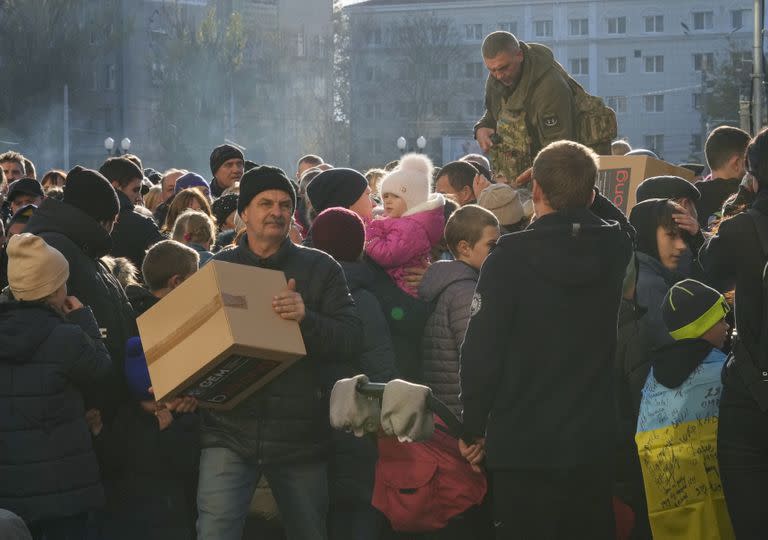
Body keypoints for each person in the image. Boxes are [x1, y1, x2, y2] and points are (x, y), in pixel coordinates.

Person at [459, 140, 633, 538]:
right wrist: (586, 192)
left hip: (524, 444)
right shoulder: (612, 249)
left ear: (535, 191)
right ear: (591, 195)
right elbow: (625, 226)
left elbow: (482, 353)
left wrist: (472, 427)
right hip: (592, 440)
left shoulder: (507, 258)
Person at [196, 165, 362, 540]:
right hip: (229, 431)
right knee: (214, 531)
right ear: (244, 212)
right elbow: (195, 347)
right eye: (265, 203)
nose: (277, 211)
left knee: (309, 532)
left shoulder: (320, 268)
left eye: (285, 204)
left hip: (300, 437)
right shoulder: (218, 268)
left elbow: (351, 338)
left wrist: (306, 318)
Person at [0, 233, 112, 538]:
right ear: (55, 289)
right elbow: (101, 370)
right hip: (65, 491)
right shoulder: (67, 338)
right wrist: (83, 319)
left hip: (10, 491)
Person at [24, 166, 137, 423]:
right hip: (81, 408)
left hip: (98, 402)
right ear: (101, 219)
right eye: (112, 222)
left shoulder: (82, 249)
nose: (112, 230)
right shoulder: (58, 249)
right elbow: (48, 333)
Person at [311, 206, 397, 540]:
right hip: (356, 418)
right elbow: (381, 364)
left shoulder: (299, 289)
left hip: (306, 418)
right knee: (362, 503)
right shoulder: (363, 296)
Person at [699, 127, 768, 536]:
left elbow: (708, 268)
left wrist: (741, 199)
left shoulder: (741, 229)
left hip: (752, 389)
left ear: (752, 173)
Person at [635, 278, 734, 539]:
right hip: (721, 495)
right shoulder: (723, 371)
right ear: (702, 325)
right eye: (719, 319)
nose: (727, 326)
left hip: (668, 500)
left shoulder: (653, 376)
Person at [474, 31, 613, 184]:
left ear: (519, 55)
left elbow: (560, 148)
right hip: (523, 174)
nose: (499, 75)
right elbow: (494, 112)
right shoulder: (498, 78)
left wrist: (533, 179)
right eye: (492, 70)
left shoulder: (549, 87)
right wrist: (483, 126)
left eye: (503, 68)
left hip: (564, 173)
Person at [97, 337, 200, 540]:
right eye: (151, 402)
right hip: (131, 516)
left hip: (172, 518)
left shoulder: (184, 417)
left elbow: (187, 464)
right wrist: (98, 431)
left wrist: (169, 428)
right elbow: (112, 461)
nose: (158, 406)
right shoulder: (126, 417)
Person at [420, 204, 499, 416]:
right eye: (492, 246)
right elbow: (477, 359)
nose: (498, 252)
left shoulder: (451, 283)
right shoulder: (466, 293)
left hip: (450, 406)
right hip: (464, 411)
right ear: (464, 247)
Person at [365, 154, 446, 297]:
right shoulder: (399, 221)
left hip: (405, 289)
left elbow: (388, 255)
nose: (388, 201)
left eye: (396, 196)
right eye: (386, 196)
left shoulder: (410, 228)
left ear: (412, 201)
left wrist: (370, 234)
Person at [629, 199, 689, 348]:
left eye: (682, 237)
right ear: (647, 234)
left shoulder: (633, 270)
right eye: (671, 235)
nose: (681, 246)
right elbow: (671, 347)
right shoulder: (650, 285)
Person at [100, 157, 164, 270]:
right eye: (135, 190)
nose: (139, 197)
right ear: (115, 186)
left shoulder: (82, 220)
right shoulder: (143, 225)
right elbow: (169, 260)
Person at [126, 239, 199, 317]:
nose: (197, 287)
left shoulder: (130, 309)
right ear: (177, 282)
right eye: (194, 280)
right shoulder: (168, 319)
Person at [696, 126, 751, 229]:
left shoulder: (690, 200)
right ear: (736, 163)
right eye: (749, 161)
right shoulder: (749, 197)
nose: (751, 168)